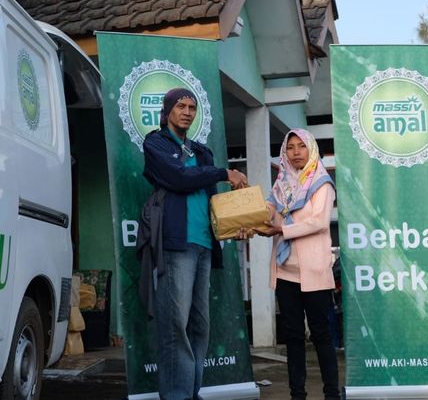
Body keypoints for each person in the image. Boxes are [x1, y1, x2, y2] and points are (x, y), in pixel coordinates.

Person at [142, 87, 248, 400]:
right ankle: (176, 395)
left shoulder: (202, 152)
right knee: (175, 323)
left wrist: (238, 224)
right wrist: (224, 172)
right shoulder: (156, 143)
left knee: (199, 325)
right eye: (181, 106)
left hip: (204, 244)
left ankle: (191, 390)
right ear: (167, 111)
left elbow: (214, 198)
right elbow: (178, 178)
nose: (187, 112)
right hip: (176, 244)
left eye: (192, 107)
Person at [256, 128, 339, 400]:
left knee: (321, 335)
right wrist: (249, 217)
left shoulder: (321, 183)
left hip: (314, 272)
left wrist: (281, 231)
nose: (295, 152)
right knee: (292, 337)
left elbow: (319, 222)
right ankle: (297, 395)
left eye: (301, 146)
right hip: (286, 273)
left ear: (311, 149)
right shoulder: (282, 184)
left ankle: (331, 394)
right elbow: (268, 210)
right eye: (290, 147)